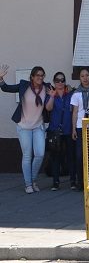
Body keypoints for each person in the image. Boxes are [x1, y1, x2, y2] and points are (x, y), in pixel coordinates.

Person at [0, 65, 51, 193]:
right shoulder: (24, 85)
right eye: (37, 75)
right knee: (27, 156)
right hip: (24, 127)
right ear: (32, 77)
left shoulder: (47, 87)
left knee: (40, 154)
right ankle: (28, 184)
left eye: (42, 75)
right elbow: (6, 88)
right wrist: (1, 79)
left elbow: (58, 93)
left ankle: (32, 180)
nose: (40, 77)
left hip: (38, 126)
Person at [46, 71, 73, 191]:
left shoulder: (70, 94)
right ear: (54, 82)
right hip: (54, 129)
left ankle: (73, 181)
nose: (60, 82)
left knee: (70, 156)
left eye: (62, 80)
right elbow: (48, 108)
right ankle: (55, 182)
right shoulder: (51, 93)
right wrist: (52, 96)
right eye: (57, 80)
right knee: (55, 157)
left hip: (68, 129)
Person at [70, 67, 89, 190]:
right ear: (79, 78)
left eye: (87, 75)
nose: (85, 78)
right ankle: (81, 181)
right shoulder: (76, 93)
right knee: (80, 155)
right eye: (82, 76)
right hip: (81, 126)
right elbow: (75, 112)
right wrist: (73, 128)